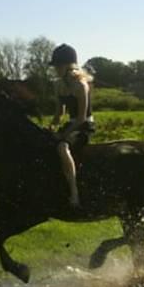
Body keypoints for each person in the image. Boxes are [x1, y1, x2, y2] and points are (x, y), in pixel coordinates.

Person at [48, 44, 95, 208]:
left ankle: (74, 193)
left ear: (67, 66)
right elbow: (59, 114)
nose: (55, 70)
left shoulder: (81, 85)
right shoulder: (59, 86)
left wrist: (62, 135)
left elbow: (81, 118)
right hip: (70, 124)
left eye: (57, 66)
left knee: (62, 147)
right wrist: (50, 127)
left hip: (83, 125)